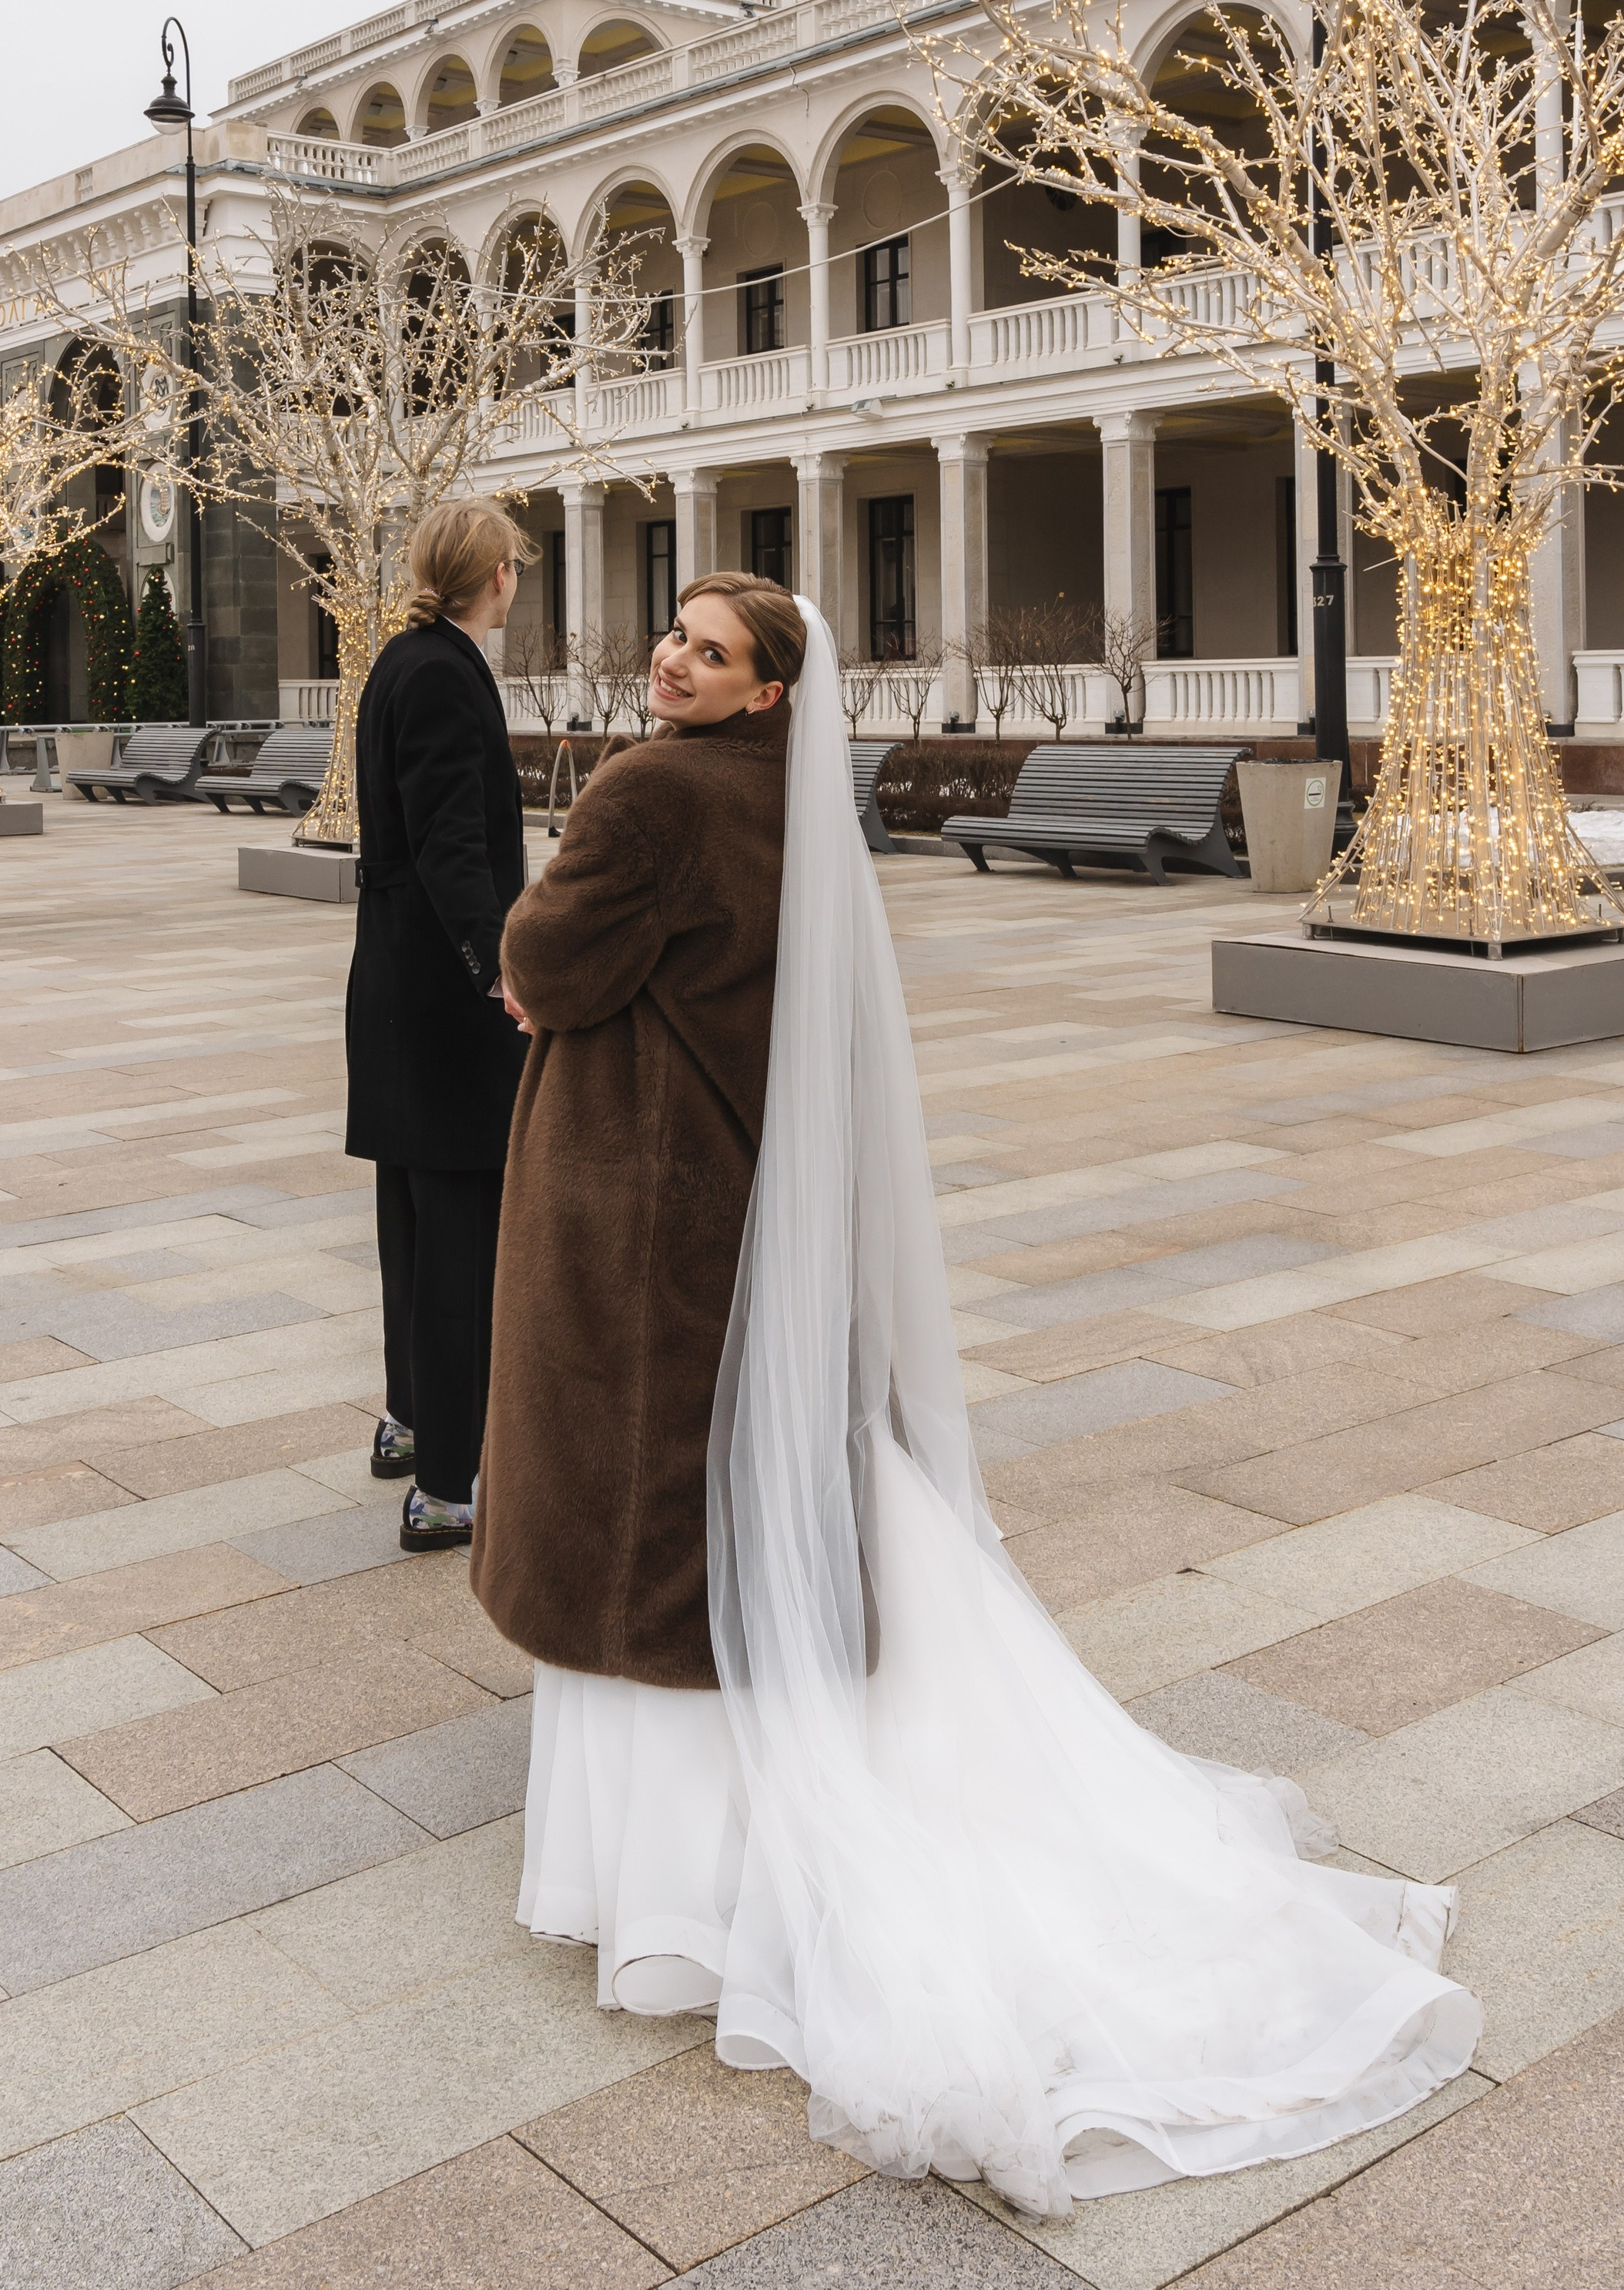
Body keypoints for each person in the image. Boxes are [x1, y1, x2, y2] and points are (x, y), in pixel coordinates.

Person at [473, 573, 1480, 2220]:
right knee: (734, 1482)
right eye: (672, 632)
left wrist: (531, 944)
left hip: (636, 1191)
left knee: (638, 1496)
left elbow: (547, 959)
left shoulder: (648, 789)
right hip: (747, 1200)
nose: (671, 657)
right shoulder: (792, 813)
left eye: (707, 651)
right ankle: (752, 1810)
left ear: (762, 694)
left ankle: (675, 1890)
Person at [345, 496, 531, 1551]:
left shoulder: (401, 661)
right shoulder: (444, 674)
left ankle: (412, 1424)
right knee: (458, 1238)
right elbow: (453, 845)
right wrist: (502, 970)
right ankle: (450, 1486)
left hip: (395, 987)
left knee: (413, 1228)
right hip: (446, 1001)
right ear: (496, 573)